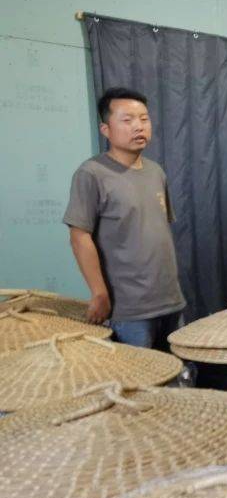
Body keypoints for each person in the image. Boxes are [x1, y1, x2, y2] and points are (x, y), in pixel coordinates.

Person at [63, 87, 185, 349]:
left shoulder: (156, 172)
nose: (138, 126)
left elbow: (155, 232)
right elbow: (79, 236)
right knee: (137, 383)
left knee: (177, 380)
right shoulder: (91, 173)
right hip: (129, 310)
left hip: (170, 301)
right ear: (105, 129)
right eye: (127, 120)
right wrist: (99, 292)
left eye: (144, 118)